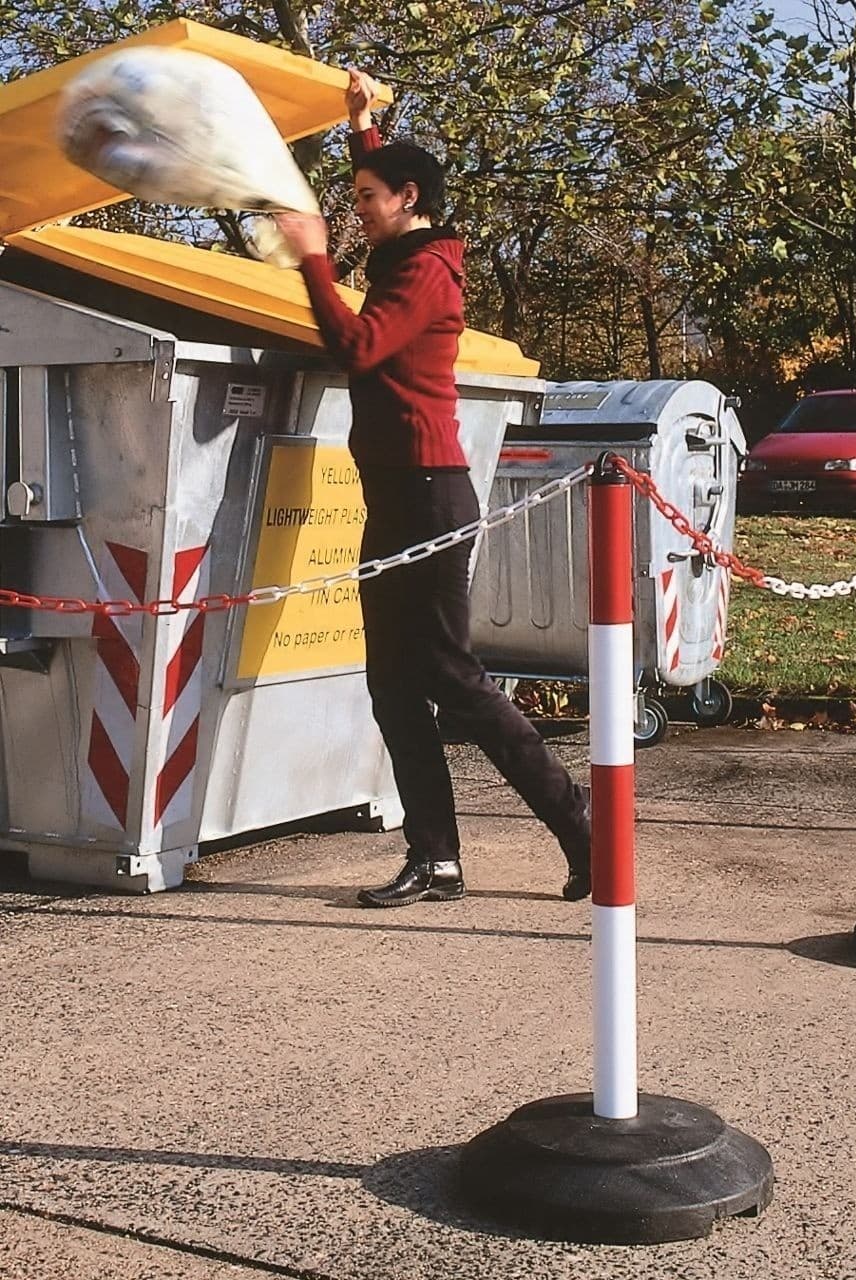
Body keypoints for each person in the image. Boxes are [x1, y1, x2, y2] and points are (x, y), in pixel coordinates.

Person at [275, 70, 590, 908]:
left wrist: (310, 255)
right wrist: (362, 127)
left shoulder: (425, 275)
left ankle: (582, 829)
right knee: (389, 681)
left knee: (449, 676)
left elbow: (358, 346)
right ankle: (437, 859)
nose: (358, 209)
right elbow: (387, 193)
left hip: (431, 494)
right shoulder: (402, 254)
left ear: (410, 199)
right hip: (394, 494)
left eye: (369, 196)